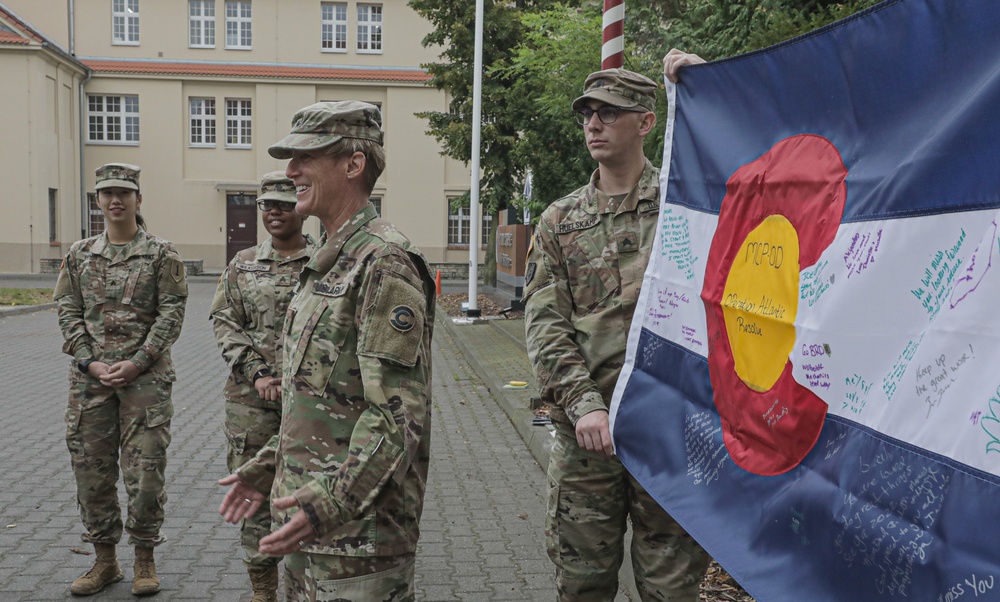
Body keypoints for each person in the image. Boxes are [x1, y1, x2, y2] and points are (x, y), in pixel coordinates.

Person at [218, 101, 436, 602]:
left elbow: (398, 417)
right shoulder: (329, 260)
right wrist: (270, 464)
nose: (291, 170)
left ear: (353, 165)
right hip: (308, 518)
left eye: (306, 156)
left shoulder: (384, 262)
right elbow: (317, 399)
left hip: (359, 537)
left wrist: (329, 503)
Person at [523, 52, 709, 602]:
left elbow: (758, 185)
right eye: (587, 114)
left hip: (669, 430)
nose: (593, 124)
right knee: (582, 585)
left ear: (646, 122)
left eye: (609, 112)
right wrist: (584, 402)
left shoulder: (685, 206)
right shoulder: (561, 220)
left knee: (671, 591)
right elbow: (545, 322)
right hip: (588, 438)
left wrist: (707, 92)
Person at [54, 163, 188, 596]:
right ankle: (105, 561)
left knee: (145, 475)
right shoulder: (79, 254)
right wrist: (87, 361)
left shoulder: (161, 254)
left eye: (124, 193)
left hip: (144, 382)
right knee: (91, 474)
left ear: (138, 200)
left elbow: (172, 313)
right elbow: (68, 310)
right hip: (90, 381)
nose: (116, 200)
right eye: (108, 193)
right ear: (97, 201)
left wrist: (138, 361)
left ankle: (145, 558)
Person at [210, 171, 316, 602]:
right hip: (249, 403)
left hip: (308, 402)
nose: (274, 212)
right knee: (254, 494)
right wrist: (256, 372)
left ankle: (304, 584)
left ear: (301, 210)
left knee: (304, 493)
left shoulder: (323, 261)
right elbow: (224, 321)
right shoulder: (243, 263)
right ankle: (263, 592)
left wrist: (292, 380)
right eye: (267, 205)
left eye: (284, 204)